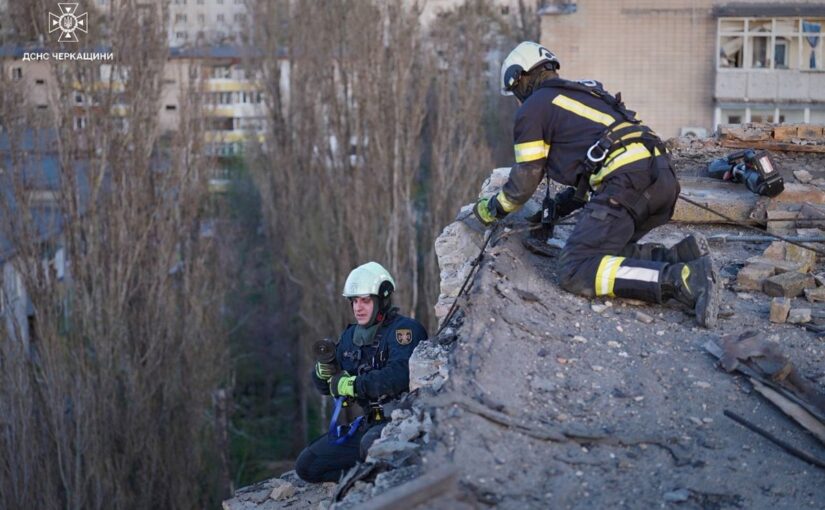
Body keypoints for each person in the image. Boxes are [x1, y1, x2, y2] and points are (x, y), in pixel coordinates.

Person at [473, 41, 720, 328]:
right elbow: (588, 174)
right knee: (605, 255)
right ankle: (679, 257)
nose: (517, 99)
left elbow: (525, 179)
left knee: (576, 268)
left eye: (515, 91)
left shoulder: (533, 108)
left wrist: (492, 209)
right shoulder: (585, 93)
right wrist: (554, 210)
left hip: (627, 183)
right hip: (661, 179)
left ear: (521, 78)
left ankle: (683, 282)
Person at [294, 262, 428, 483]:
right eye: (354, 301)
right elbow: (324, 386)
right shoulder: (350, 337)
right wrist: (323, 373)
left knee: (371, 447)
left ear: (382, 299)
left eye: (365, 300)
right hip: (369, 424)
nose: (358, 307)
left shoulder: (405, 331)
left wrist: (353, 385)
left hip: (401, 422)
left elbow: (399, 375)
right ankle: (366, 478)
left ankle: (380, 481)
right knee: (308, 465)